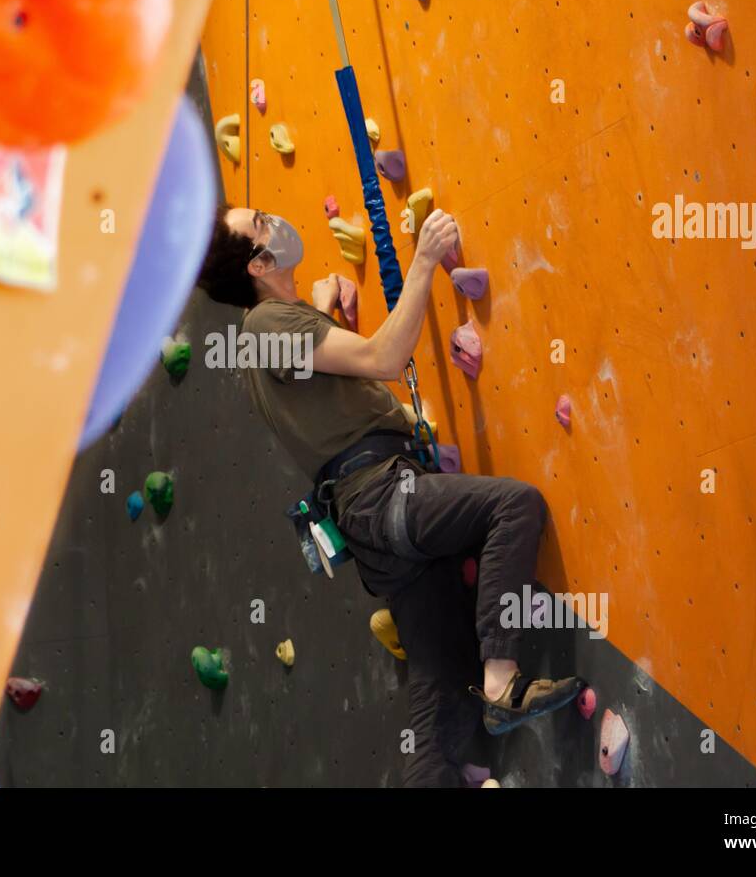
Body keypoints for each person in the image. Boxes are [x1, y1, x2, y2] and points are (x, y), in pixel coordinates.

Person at [196, 205, 582, 787]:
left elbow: (311, 370)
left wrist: (320, 302)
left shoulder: (262, 335)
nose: (276, 217)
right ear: (261, 260)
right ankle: (503, 683)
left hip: (373, 527)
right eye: (262, 220)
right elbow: (382, 359)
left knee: (440, 690)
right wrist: (424, 260)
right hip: (381, 496)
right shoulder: (265, 326)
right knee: (514, 505)